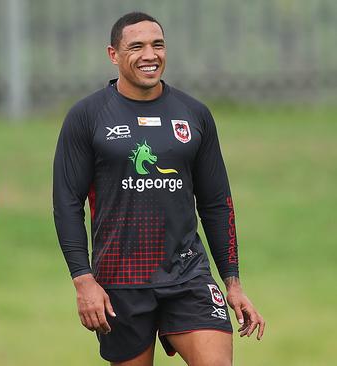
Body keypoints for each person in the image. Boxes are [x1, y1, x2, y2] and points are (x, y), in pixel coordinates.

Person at [52, 12, 265, 366]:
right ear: (113, 54)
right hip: (120, 280)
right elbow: (66, 203)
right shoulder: (87, 116)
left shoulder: (194, 114)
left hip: (188, 274)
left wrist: (233, 282)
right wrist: (83, 281)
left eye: (158, 45)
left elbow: (216, 203)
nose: (150, 55)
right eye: (136, 46)